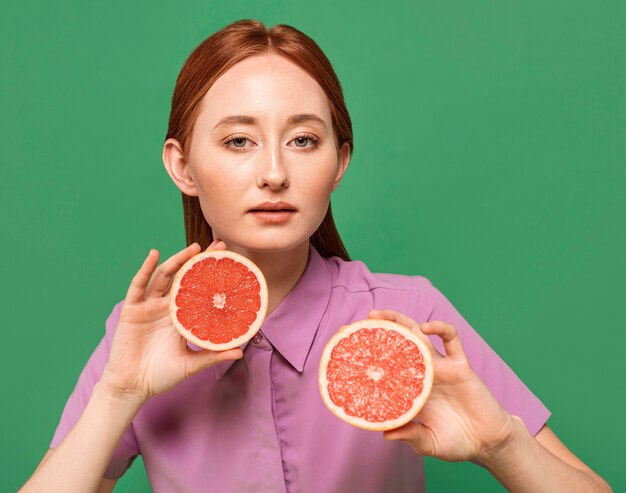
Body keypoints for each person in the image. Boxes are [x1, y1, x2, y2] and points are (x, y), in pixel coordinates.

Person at [21, 19, 611, 493]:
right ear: (183, 167)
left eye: (303, 140)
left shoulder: (408, 315)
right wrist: (118, 395)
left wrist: (501, 445)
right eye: (238, 141)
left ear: (340, 162)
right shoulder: (145, 336)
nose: (275, 173)